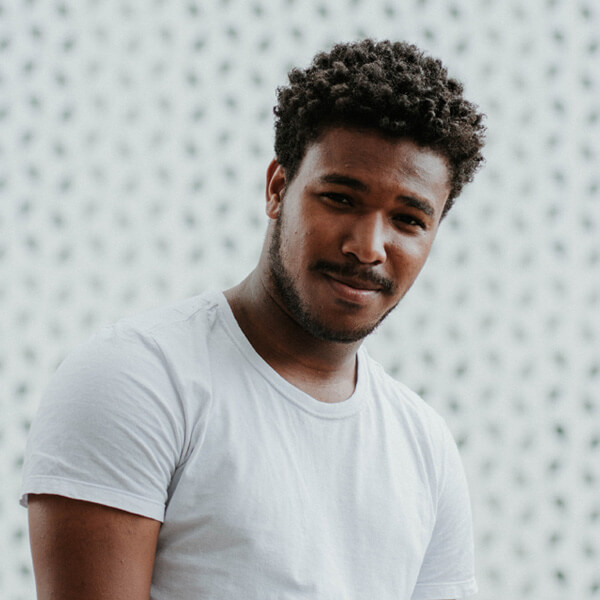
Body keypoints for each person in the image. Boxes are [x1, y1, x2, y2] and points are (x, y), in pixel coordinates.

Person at [21, 39, 486, 599]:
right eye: (340, 199)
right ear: (277, 189)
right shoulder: (136, 379)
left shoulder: (425, 446)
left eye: (408, 219)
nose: (368, 247)